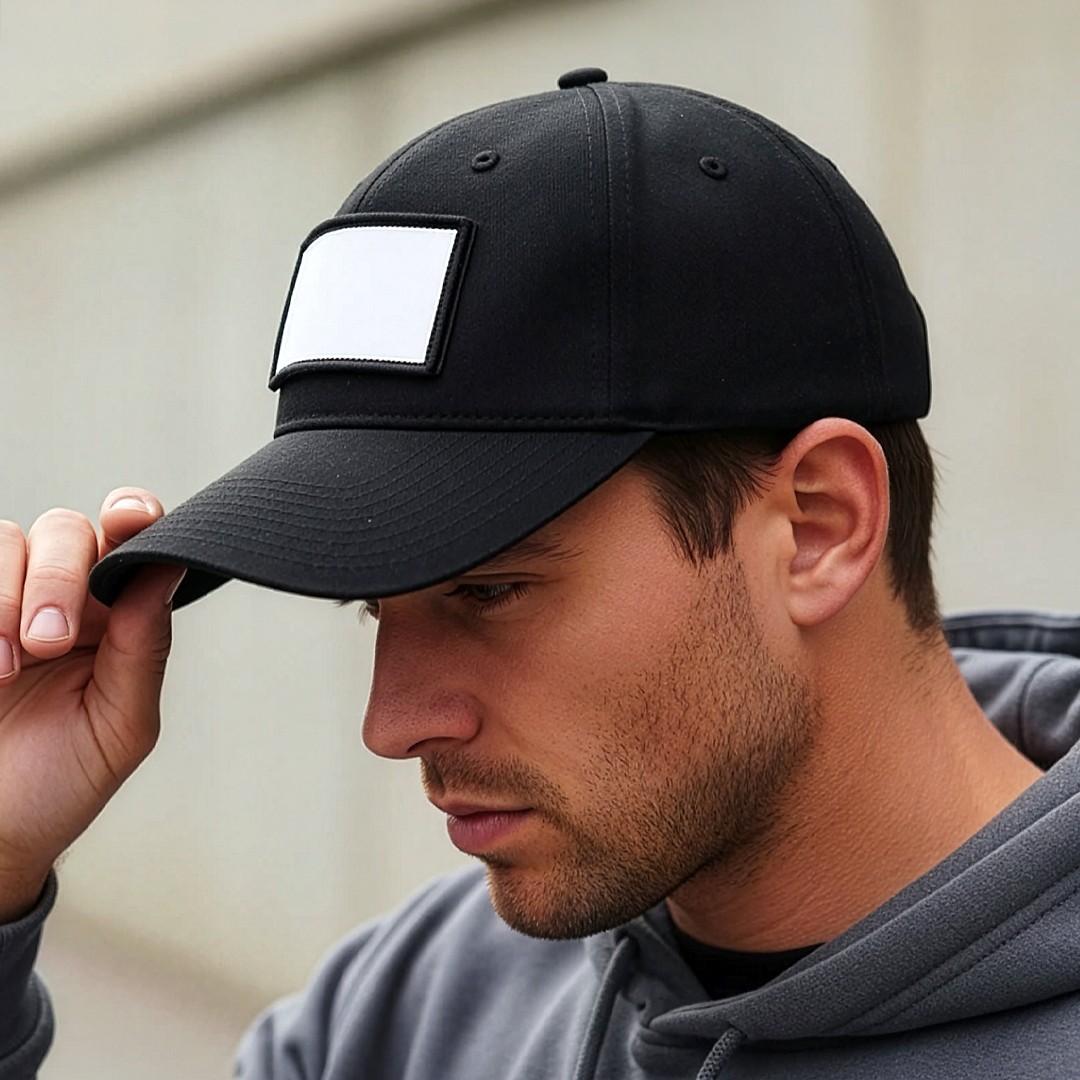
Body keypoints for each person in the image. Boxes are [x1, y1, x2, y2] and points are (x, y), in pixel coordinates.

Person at [2, 68, 1079, 1079]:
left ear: (817, 526)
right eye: (374, 608)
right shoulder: (404, 1013)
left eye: (487, 591)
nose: (391, 725)